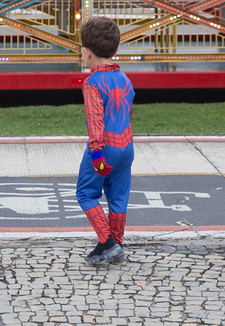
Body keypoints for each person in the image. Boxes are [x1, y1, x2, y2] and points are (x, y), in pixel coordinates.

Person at [75, 15, 134, 266]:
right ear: (116, 49)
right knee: (118, 197)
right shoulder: (124, 78)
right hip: (126, 147)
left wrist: (97, 154)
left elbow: (95, 122)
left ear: (86, 52)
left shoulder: (92, 83)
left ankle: (107, 241)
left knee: (86, 193)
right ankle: (116, 245)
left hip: (104, 148)